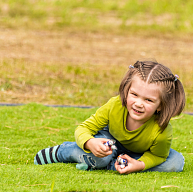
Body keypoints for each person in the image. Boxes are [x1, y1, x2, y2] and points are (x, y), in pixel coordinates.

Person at [34, 59, 185, 174]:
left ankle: (112, 165)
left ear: (161, 105)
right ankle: (62, 151)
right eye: (134, 95)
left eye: (149, 100)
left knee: (176, 163)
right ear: (126, 90)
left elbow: (158, 156)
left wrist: (138, 164)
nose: (139, 104)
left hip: (139, 154)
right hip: (108, 143)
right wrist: (90, 143)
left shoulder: (162, 131)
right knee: (101, 157)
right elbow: (83, 129)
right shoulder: (115, 105)